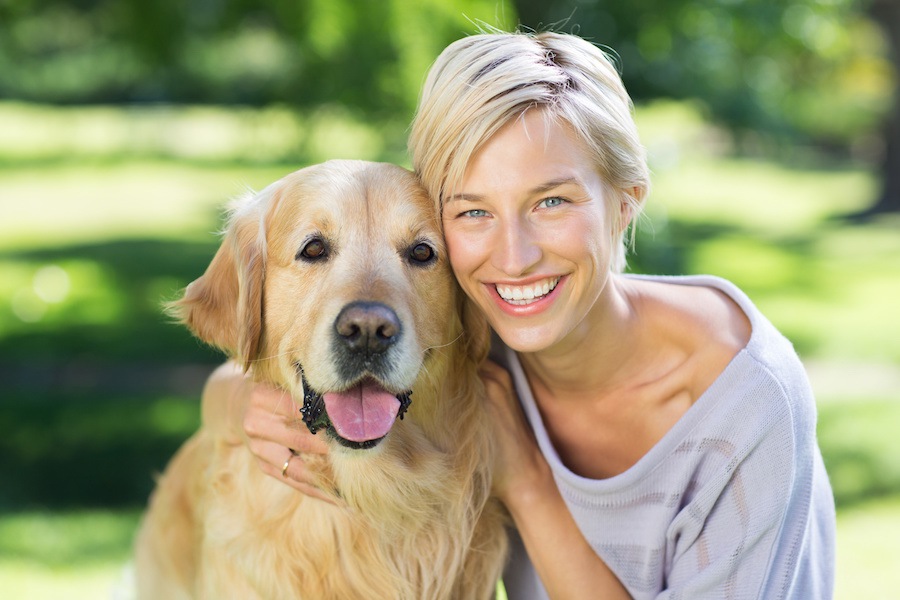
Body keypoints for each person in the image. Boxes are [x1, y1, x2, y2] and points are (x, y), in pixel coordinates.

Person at [208, 29, 836, 599]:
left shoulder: (750, 401)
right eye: (474, 211)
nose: (514, 258)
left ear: (625, 202)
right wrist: (245, 408)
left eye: (551, 201)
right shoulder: (476, 334)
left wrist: (527, 479)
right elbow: (234, 384)